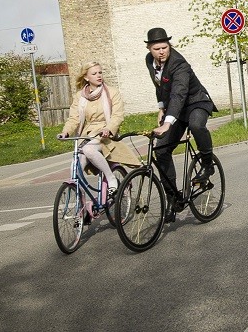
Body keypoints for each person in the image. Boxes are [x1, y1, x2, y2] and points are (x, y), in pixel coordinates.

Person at [145, 28, 218, 222]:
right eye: (157, 48)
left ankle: (207, 163)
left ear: (169, 46)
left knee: (196, 125)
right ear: (149, 48)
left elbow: (178, 93)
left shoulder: (179, 64)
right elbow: (159, 85)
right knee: (161, 150)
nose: (161, 52)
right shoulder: (149, 61)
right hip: (174, 108)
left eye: (165, 47)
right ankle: (172, 200)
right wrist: (161, 107)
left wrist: (167, 123)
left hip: (196, 102)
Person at [59, 62, 139, 197]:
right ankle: (81, 203)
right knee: (76, 165)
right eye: (94, 74)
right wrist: (65, 131)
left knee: (89, 149)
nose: (98, 76)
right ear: (86, 77)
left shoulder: (112, 92)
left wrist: (109, 128)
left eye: (100, 73)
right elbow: (74, 118)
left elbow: (117, 116)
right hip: (86, 135)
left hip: (105, 134)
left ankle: (111, 178)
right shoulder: (80, 96)